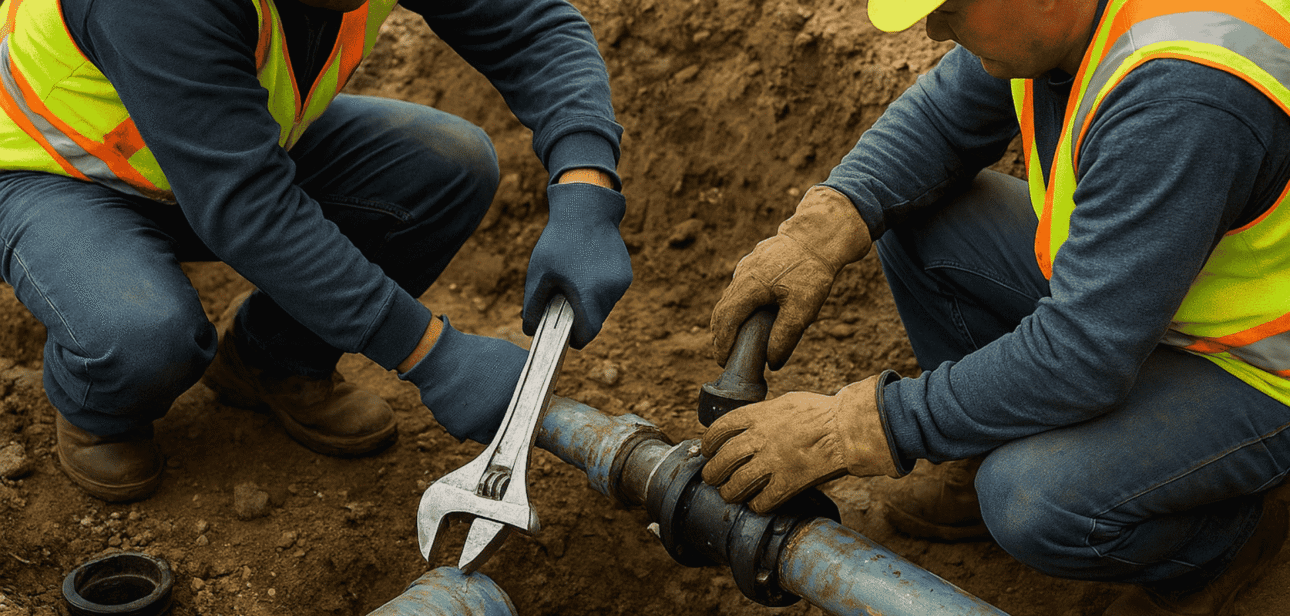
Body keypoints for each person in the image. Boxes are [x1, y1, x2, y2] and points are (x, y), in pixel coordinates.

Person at [699, 0, 1290, 613]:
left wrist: (846, 430)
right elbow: (938, 122)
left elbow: (1080, 357)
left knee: (1032, 499)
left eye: (951, 8)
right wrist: (817, 234)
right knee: (909, 208)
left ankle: (1222, 544)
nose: (934, 28)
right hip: (1147, 299)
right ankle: (976, 448)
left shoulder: (1179, 96)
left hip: (1257, 365)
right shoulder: (1054, 27)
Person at [0, 0, 631, 503]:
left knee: (449, 167)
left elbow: (530, 25)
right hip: (54, 168)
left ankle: (272, 358)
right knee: (143, 335)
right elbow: (251, 211)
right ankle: (98, 409)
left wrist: (586, 188)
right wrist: (433, 356)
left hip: (225, 141)